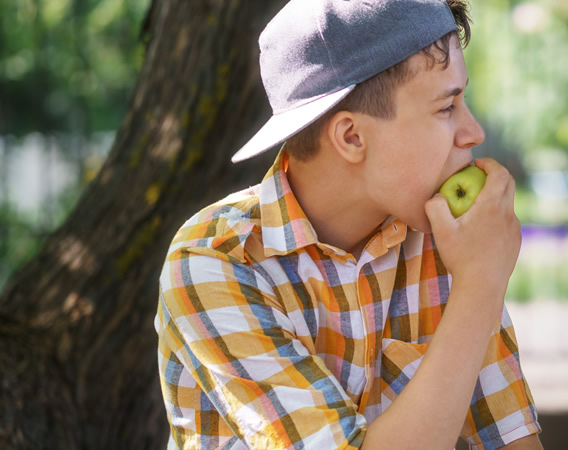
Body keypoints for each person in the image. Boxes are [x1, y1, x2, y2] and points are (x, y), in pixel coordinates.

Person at [154, 1, 542, 448]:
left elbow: (513, 441)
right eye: (447, 106)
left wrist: (477, 278)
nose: (474, 132)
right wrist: (479, 286)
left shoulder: (448, 241)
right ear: (351, 137)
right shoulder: (215, 262)